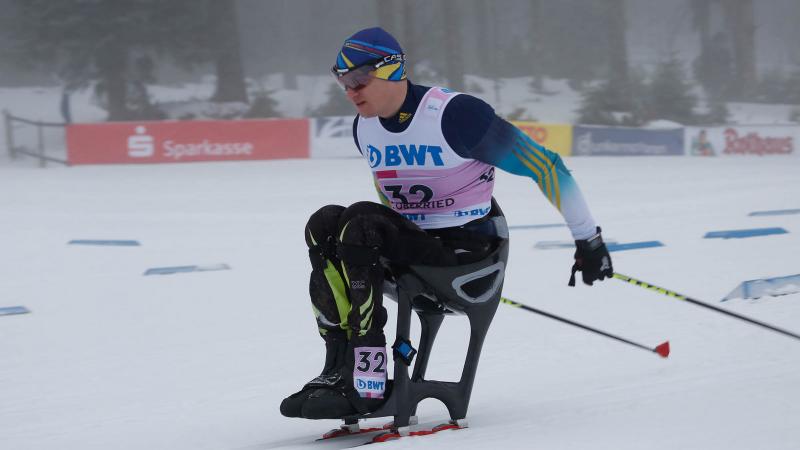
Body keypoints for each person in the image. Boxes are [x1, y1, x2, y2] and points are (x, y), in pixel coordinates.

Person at [280, 27, 613, 420]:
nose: (350, 90)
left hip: (470, 249)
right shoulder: (364, 127)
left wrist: (588, 240)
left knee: (359, 220)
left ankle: (367, 378)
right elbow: (388, 195)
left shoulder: (455, 115)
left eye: (358, 79)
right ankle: (339, 366)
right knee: (324, 224)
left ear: (391, 69)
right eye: (342, 81)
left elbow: (547, 167)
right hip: (419, 244)